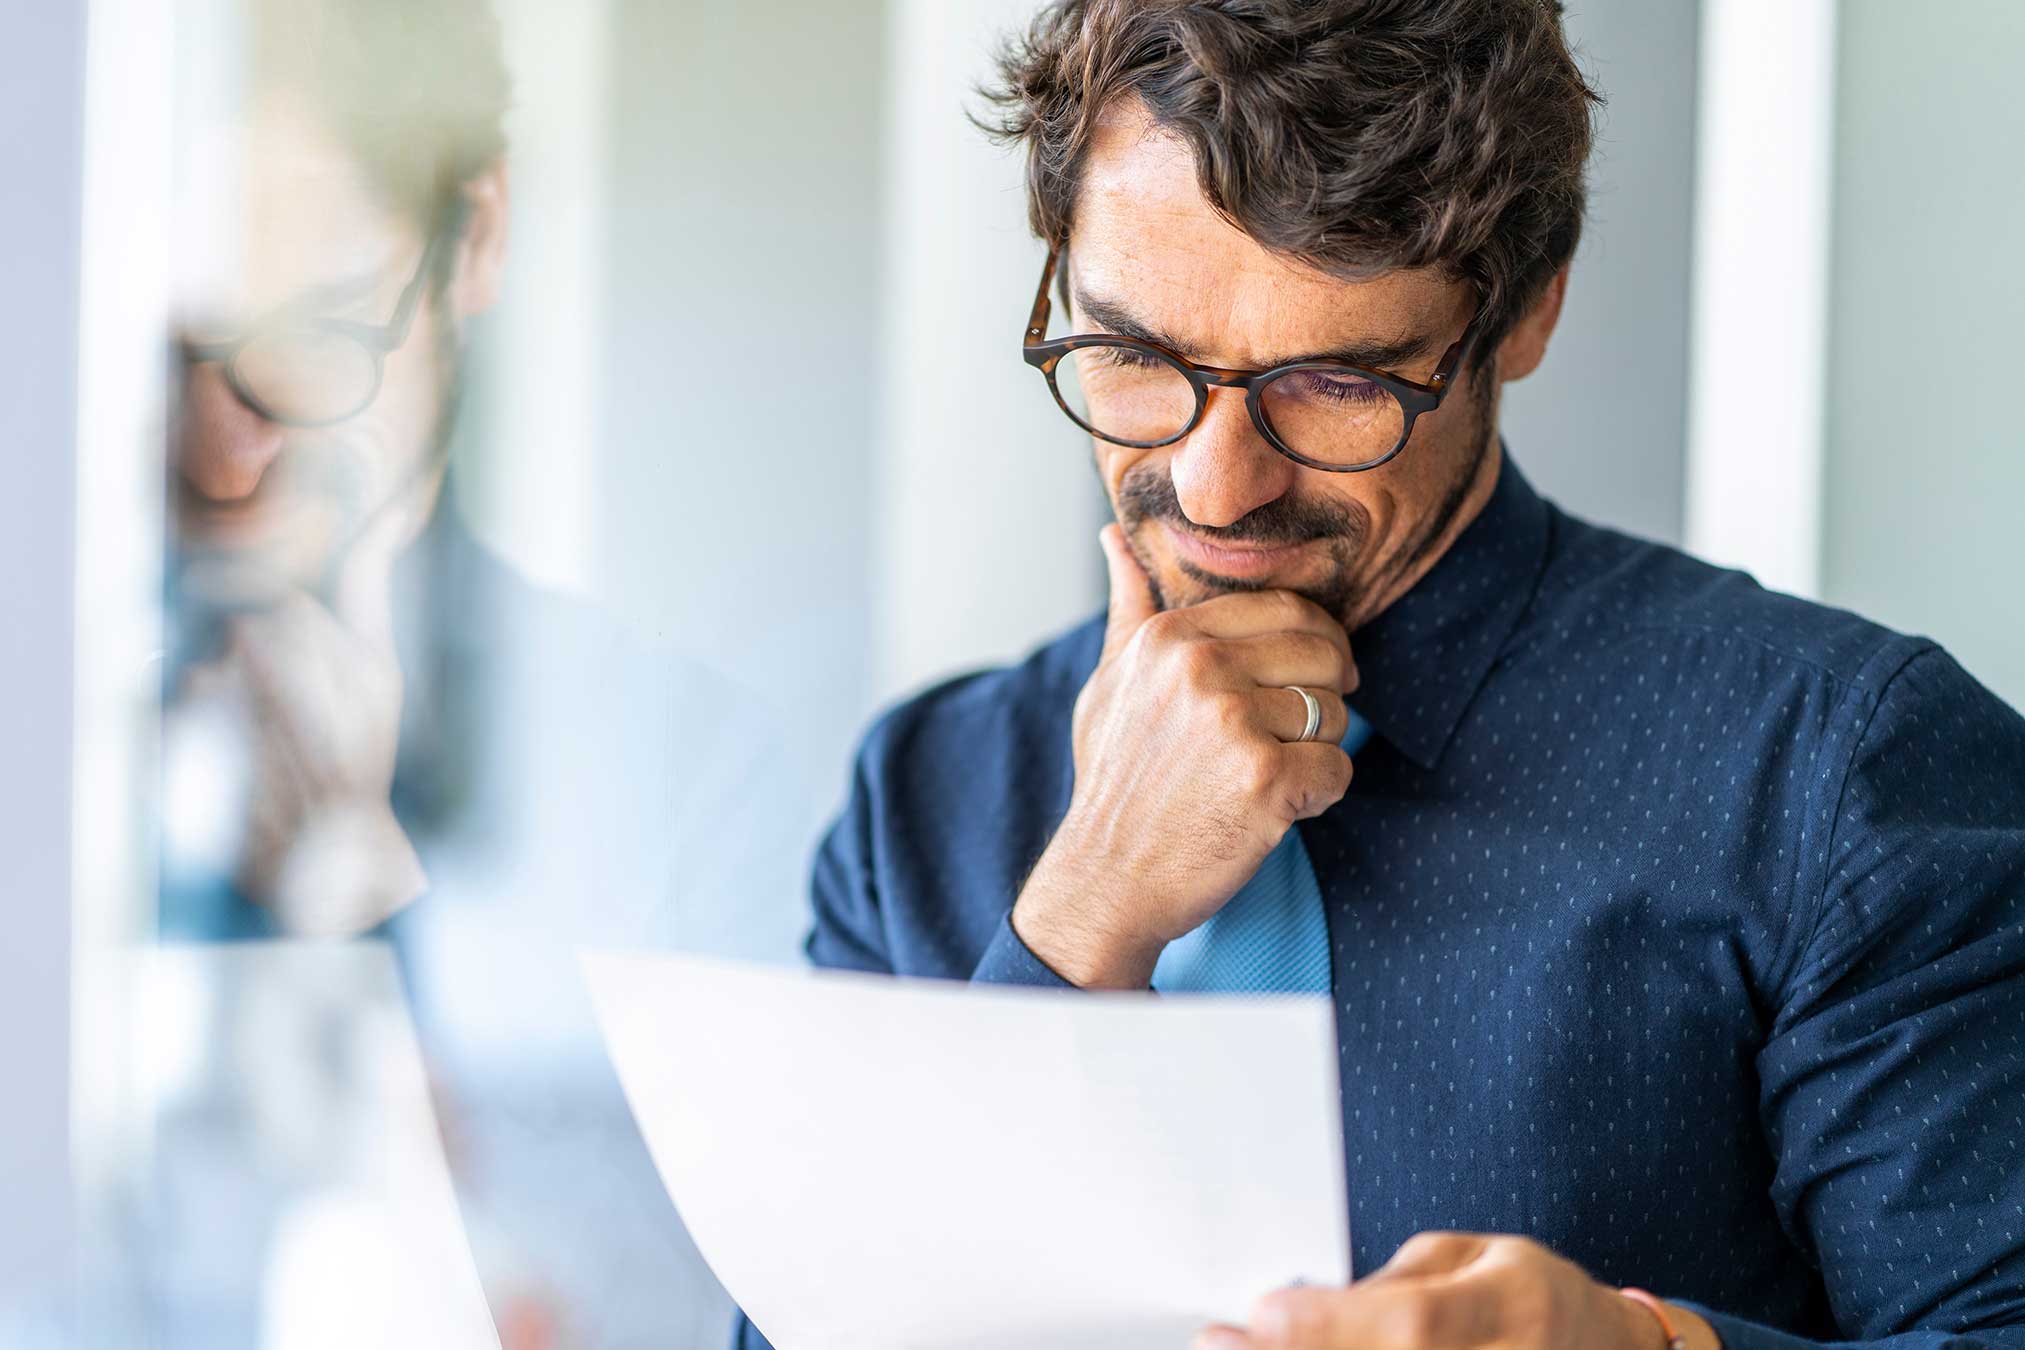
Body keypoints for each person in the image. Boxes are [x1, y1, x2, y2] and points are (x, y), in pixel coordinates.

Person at [735, 2, 2025, 1348]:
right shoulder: (921, 797)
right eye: (1127, 355)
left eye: (1332, 383)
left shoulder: (1843, 776)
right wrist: (1079, 919)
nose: (1213, 483)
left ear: (1524, 310)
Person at [155, 0, 801, 1344]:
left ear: (476, 237)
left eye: (312, 328)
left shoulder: (692, 772)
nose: (226, 449)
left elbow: (758, 1290)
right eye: (180, 359)